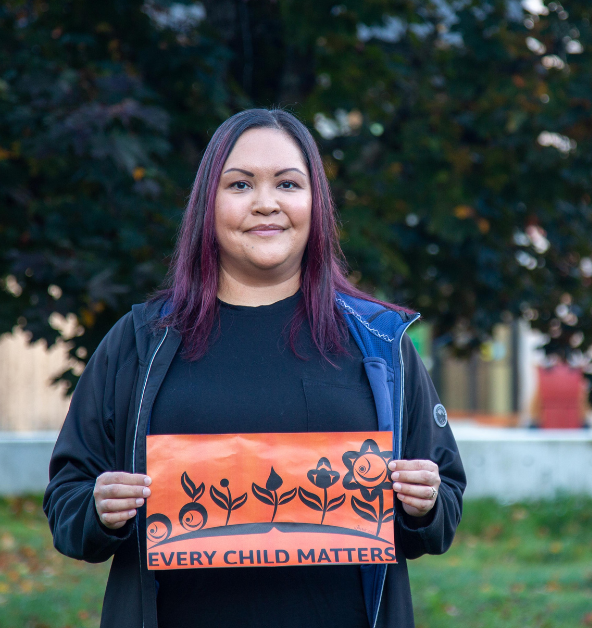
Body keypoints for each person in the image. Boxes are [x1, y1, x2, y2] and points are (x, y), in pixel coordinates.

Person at [43, 108, 466, 628]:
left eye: (288, 184)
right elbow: (67, 502)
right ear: (208, 203)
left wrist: (422, 503)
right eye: (240, 184)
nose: (266, 204)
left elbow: (444, 503)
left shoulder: (381, 343)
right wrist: (99, 509)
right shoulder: (139, 343)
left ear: (316, 203)